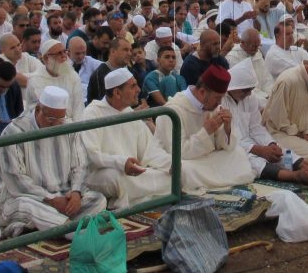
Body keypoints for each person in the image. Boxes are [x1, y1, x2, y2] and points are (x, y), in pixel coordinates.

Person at [0, 86, 107, 238]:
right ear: (38, 109)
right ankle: (71, 231)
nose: (56, 124)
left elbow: (79, 165)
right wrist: (51, 200)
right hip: (27, 197)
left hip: (62, 193)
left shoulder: (68, 126)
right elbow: (16, 181)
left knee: (98, 200)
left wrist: (76, 193)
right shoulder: (13, 132)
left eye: (60, 118)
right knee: (28, 207)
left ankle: (47, 226)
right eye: (51, 119)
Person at [81, 68, 172, 209]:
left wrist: (170, 164)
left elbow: (150, 150)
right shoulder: (92, 113)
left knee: (171, 175)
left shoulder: (129, 113)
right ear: (117, 92)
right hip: (102, 173)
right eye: (133, 86)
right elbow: (91, 155)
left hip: (133, 172)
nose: (138, 89)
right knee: (117, 178)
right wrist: (122, 163)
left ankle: (135, 196)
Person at [155, 65, 256, 192]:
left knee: (238, 153)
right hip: (187, 161)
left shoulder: (211, 105)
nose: (220, 103)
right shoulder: (173, 110)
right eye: (218, 98)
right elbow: (178, 153)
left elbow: (224, 146)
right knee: (184, 169)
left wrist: (227, 128)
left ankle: (212, 181)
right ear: (202, 92)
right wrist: (206, 131)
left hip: (206, 160)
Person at [223, 59, 308, 185]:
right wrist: (257, 150)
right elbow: (225, 138)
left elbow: (256, 128)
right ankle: (293, 176)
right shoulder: (221, 101)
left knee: (281, 151)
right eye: (245, 90)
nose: (249, 93)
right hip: (232, 147)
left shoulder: (250, 97)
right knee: (251, 161)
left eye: (251, 89)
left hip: (252, 142)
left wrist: (270, 144)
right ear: (234, 87)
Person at [26, 39, 84, 119]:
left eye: (65, 51)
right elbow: (47, 113)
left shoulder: (73, 76)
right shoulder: (35, 81)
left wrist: (77, 129)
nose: (64, 56)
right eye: (59, 53)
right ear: (46, 58)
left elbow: (79, 107)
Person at [225, 27, 274, 102]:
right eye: (254, 46)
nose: (257, 49)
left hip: (265, 97)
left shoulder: (257, 53)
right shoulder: (233, 58)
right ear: (243, 42)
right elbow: (245, 87)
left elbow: (267, 79)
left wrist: (271, 94)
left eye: (258, 46)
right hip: (246, 99)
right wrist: (265, 98)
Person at [87, 38, 133, 104]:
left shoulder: (131, 71)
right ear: (113, 51)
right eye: (125, 50)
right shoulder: (100, 74)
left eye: (130, 50)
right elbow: (106, 105)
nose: (129, 53)